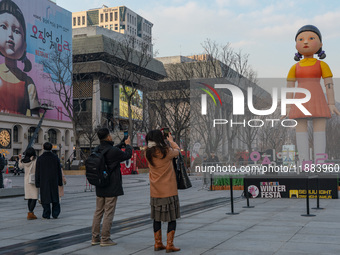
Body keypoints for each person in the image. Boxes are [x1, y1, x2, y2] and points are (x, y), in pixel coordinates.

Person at [286, 25, 340, 165]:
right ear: (296, 44)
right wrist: (287, 107)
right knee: (301, 131)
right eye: (301, 39)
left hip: (317, 99)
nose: (305, 42)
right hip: (299, 101)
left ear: (320, 44)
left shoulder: (322, 65)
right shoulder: (294, 68)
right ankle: (305, 163)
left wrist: (331, 103)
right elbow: (290, 88)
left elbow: (329, 84)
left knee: (319, 130)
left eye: (311, 38)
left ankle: (320, 163)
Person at [91, 128, 132, 247]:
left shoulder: (97, 149)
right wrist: (128, 145)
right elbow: (127, 155)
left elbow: (112, 152)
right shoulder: (113, 151)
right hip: (111, 185)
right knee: (109, 212)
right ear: (108, 136)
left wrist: (121, 144)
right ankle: (105, 238)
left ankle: (95, 238)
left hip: (100, 185)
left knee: (98, 212)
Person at [0, 0, 39, 115]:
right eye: (3, 27)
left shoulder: (28, 82)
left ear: (25, 45)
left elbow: (35, 114)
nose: (10, 35)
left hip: (20, 130)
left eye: (16, 31)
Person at [146, 130, 181, 253]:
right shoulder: (166, 151)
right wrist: (171, 141)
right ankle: (170, 245)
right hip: (169, 190)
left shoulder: (147, 152)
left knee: (157, 219)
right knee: (172, 218)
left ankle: (157, 243)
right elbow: (178, 152)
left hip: (155, 191)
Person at [35, 142, 63, 219]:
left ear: (43, 148)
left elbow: (37, 172)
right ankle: (55, 213)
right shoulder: (55, 157)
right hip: (54, 180)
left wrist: (37, 183)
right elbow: (59, 171)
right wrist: (60, 182)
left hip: (44, 181)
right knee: (55, 197)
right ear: (51, 148)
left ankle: (46, 214)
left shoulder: (40, 158)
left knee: (45, 197)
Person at [18, 148, 39, 220]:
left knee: (30, 197)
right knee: (34, 197)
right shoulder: (34, 160)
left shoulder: (24, 161)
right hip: (33, 180)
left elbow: (20, 167)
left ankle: (30, 213)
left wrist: (20, 159)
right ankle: (30, 213)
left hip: (26, 180)